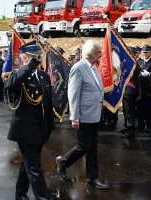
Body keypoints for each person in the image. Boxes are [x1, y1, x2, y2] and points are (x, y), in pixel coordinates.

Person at [5, 41, 55, 200]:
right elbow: (10, 85)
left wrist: (49, 126)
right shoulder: (19, 74)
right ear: (25, 57)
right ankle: (43, 197)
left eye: (37, 57)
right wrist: (29, 67)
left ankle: (20, 194)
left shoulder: (44, 76)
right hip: (24, 130)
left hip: (40, 129)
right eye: (32, 57)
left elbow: (47, 102)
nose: (36, 59)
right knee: (34, 166)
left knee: (27, 164)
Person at [56, 40, 108, 189]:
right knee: (84, 146)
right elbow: (73, 94)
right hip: (83, 115)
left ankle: (92, 177)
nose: (101, 54)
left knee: (93, 147)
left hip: (95, 114)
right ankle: (63, 161)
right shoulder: (78, 68)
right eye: (99, 52)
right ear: (91, 53)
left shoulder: (94, 67)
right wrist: (75, 117)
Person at [121, 47, 140, 138]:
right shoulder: (128, 63)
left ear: (133, 54)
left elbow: (129, 76)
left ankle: (130, 130)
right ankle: (126, 126)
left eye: (129, 52)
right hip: (125, 90)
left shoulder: (134, 63)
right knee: (125, 110)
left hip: (130, 90)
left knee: (129, 112)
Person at [138, 45, 151, 134]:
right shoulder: (140, 62)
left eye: (147, 52)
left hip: (149, 88)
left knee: (149, 108)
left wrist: (149, 74)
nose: (145, 54)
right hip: (140, 88)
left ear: (150, 53)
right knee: (140, 107)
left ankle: (149, 125)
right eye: (144, 52)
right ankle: (140, 125)